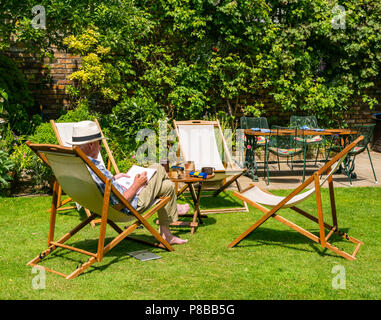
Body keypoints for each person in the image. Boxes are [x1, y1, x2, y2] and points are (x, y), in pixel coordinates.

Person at [67, 121, 189, 245]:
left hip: (105, 203)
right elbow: (121, 200)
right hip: (127, 205)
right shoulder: (93, 168)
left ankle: (166, 234)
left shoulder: (81, 165)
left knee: (167, 187)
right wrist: (136, 184)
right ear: (91, 145)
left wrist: (113, 178)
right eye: (99, 143)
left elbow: (102, 186)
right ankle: (174, 206)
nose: (100, 147)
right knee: (157, 167)